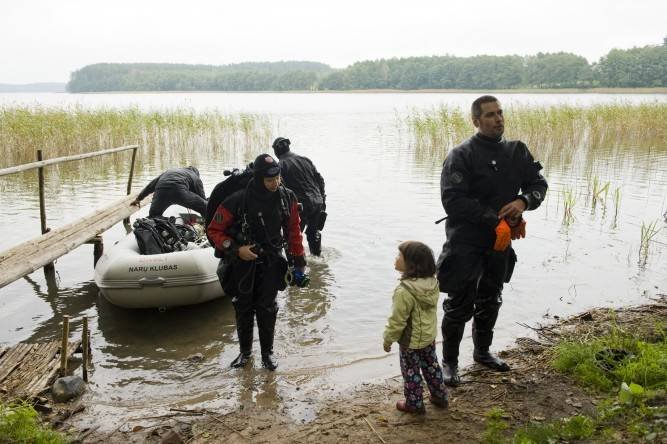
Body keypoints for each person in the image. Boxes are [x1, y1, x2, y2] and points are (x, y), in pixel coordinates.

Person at [437, 95, 548, 386]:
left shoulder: (516, 151)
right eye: (490, 115)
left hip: (500, 244)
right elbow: (453, 201)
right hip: (465, 241)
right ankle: (449, 363)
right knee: (460, 302)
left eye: (500, 113)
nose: (498, 119)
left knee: (492, 297)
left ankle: (482, 352)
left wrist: (523, 202)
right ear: (476, 121)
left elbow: (538, 184)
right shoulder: (461, 155)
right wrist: (493, 219)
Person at [207, 153, 306, 371]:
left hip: (271, 260)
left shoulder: (286, 197)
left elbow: (294, 232)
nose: (275, 183)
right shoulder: (238, 199)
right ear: (259, 178)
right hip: (242, 262)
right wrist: (236, 249)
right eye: (270, 180)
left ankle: (267, 353)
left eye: (278, 178)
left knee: (267, 308)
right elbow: (214, 230)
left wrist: (299, 263)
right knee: (243, 307)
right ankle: (245, 353)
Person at [383, 241, 449, 413]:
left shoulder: (404, 291)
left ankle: (414, 404)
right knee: (432, 366)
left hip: (410, 341)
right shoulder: (432, 283)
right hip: (428, 336)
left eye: (400, 256)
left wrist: (388, 339)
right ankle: (440, 396)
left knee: (411, 372)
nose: (396, 258)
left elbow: (397, 321)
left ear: (411, 263)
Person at [272, 137, 326, 256]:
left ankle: (295, 265)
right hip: (318, 201)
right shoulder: (305, 159)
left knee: (293, 237)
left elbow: (280, 189)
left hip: (300, 206)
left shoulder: (280, 165)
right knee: (313, 233)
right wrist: (322, 199)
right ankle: (317, 260)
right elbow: (320, 180)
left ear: (276, 152)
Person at [131, 166, 207, 217]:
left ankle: (157, 235)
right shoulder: (195, 177)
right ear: (197, 174)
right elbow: (202, 198)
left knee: (153, 216)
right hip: (179, 192)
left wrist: (138, 199)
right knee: (205, 207)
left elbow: (150, 186)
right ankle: (209, 228)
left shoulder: (170, 171)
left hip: (161, 192)